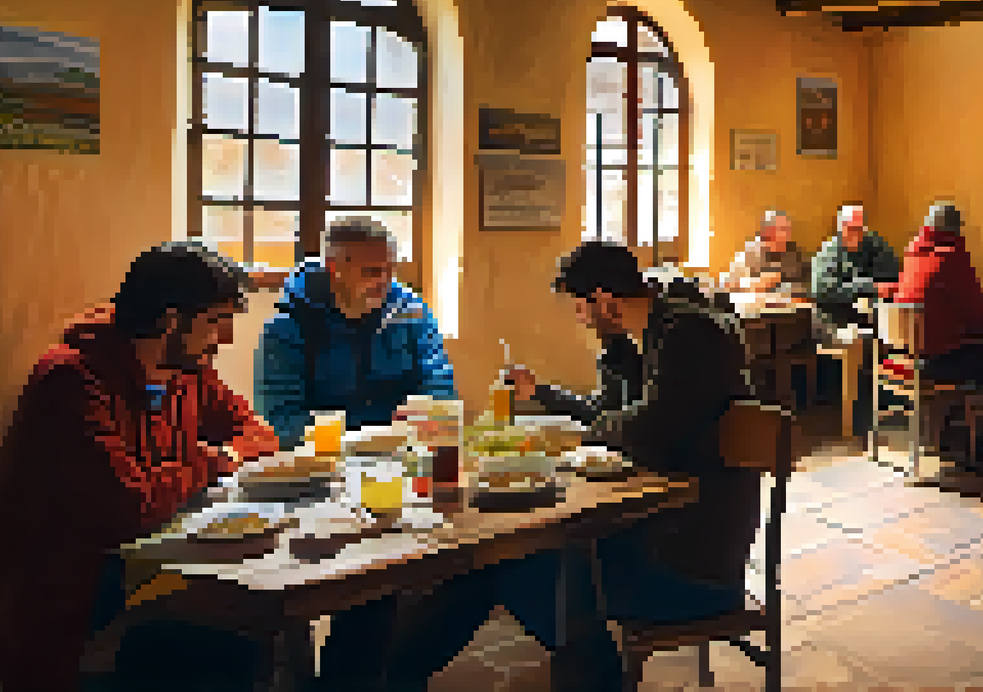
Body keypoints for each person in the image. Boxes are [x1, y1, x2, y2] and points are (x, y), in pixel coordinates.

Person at [325, 241, 760, 692]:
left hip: (690, 562)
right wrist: (554, 388)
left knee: (506, 562)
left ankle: (399, 676)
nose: (578, 317)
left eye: (580, 306)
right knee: (503, 559)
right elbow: (613, 417)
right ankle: (399, 676)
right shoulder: (642, 338)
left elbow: (646, 433)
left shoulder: (690, 334)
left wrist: (604, 417)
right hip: (651, 531)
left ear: (603, 299)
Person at [0, 241, 280, 692]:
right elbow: (130, 506)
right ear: (170, 321)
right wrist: (210, 459)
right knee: (245, 639)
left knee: (271, 631)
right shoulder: (72, 382)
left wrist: (219, 457)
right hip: (78, 613)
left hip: (153, 579)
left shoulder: (186, 370)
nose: (227, 339)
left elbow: (259, 434)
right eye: (217, 323)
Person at [255, 217, 457, 448]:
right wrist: (359, 444)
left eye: (390, 270)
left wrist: (427, 413)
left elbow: (439, 384)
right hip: (324, 461)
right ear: (333, 268)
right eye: (371, 271)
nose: (384, 282)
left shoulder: (412, 312)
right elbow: (280, 420)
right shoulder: (286, 327)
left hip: (404, 455)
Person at [878, 202, 983, 454]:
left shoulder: (913, 254)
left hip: (905, 356)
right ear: (957, 230)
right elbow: (977, 315)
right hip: (937, 360)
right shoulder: (952, 255)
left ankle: (948, 424)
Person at [810, 203, 901, 332]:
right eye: (850, 228)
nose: (856, 234)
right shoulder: (829, 251)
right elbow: (821, 290)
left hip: (874, 318)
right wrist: (869, 287)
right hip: (838, 322)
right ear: (840, 228)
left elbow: (891, 279)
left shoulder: (876, 246)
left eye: (859, 229)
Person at [723, 209, 810, 296]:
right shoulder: (752, 250)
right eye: (783, 229)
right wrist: (757, 283)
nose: (787, 235)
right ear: (768, 231)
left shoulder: (793, 252)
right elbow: (727, 283)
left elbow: (804, 285)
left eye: (788, 229)